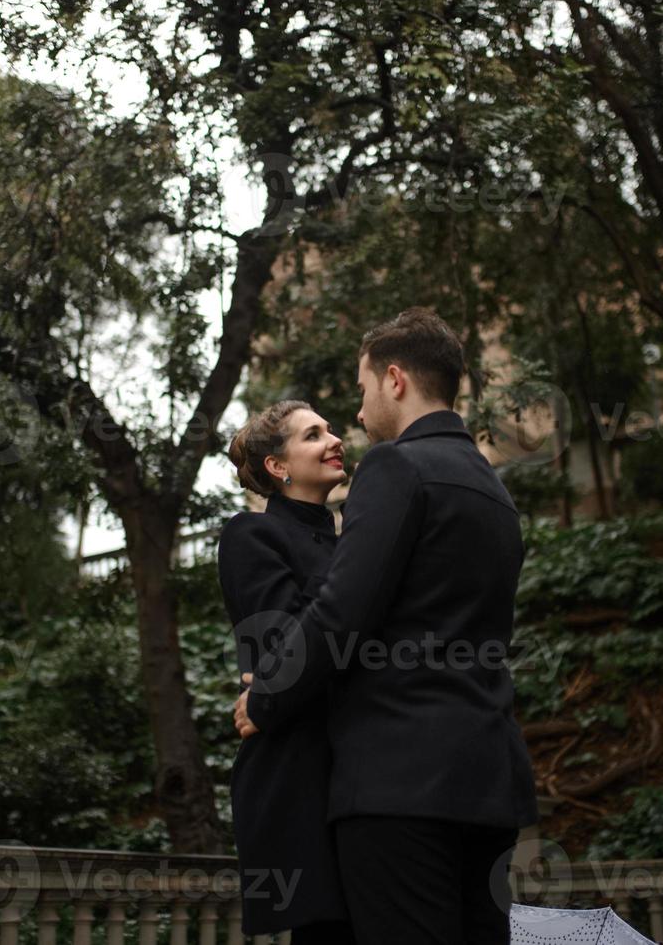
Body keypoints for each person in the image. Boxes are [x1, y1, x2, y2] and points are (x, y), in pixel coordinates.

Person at [232, 307, 540, 945]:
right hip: (488, 781)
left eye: (364, 386)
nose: (359, 406)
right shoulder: (493, 489)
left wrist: (266, 696)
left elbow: (343, 611)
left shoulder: (395, 468)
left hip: (399, 782)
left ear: (394, 380)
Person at [219, 399, 357, 945]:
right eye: (314, 434)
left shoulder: (350, 543)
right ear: (279, 467)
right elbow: (284, 650)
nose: (335, 438)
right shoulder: (250, 536)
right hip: (298, 777)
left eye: (331, 428)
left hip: (355, 769)